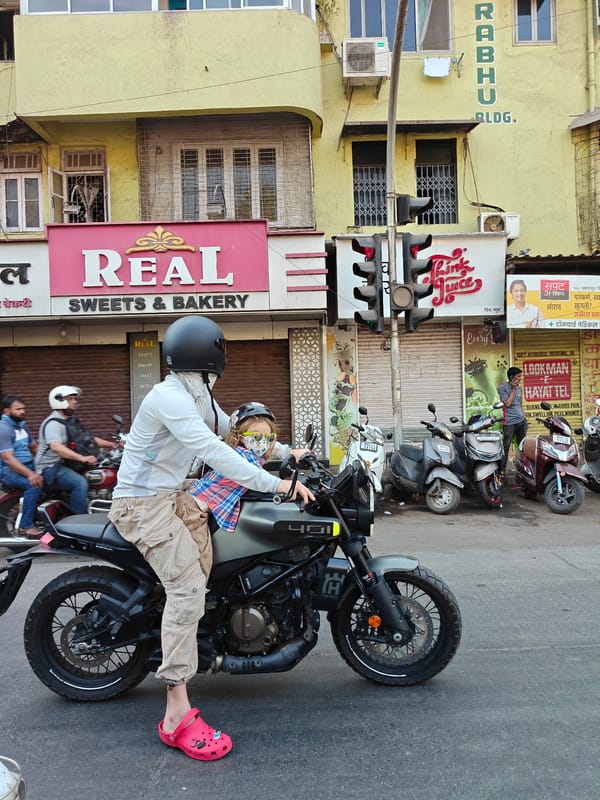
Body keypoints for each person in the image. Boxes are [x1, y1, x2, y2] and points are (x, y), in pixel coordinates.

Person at [107, 315, 314, 763]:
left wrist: (287, 453)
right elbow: (214, 451)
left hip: (172, 496)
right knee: (186, 589)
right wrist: (278, 485)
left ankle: (207, 633)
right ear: (209, 359)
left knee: (212, 570)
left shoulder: (196, 394)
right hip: (143, 505)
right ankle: (175, 715)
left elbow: (236, 436)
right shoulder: (169, 398)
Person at [188, 401, 280, 532]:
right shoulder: (242, 455)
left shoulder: (246, 454)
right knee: (199, 551)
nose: (263, 441)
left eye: (269, 437)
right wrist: (284, 486)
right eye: (257, 436)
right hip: (195, 510)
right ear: (241, 437)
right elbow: (259, 479)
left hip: (200, 505)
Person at [35, 385, 116, 514]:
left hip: (64, 465)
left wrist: (113, 445)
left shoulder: (68, 421)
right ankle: (80, 521)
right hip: (49, 468)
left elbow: (87, 439)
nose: (74, 402)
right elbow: (56, 447)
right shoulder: (53, 423)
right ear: (59, 400)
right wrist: (82, 458)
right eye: (70, 399)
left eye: (74, 399)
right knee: (80, 483)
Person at [0, 394, 44, 538]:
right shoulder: (4, 428)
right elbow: (8, 459)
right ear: (7, 411)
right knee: (34, 484)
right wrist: (30, 474)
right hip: (9, 471)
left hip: (27, 465)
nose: (22, 411)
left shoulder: (22, 425)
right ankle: (26, 526)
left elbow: (34, 447)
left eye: (23, 409)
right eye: (18, 409)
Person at [498, 367, 528, 472]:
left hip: (521, 422)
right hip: (509, 423)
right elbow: (507, 403)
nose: (520, 378)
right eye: (518, 376)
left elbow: (520, 404)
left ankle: (522, 468)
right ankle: (502, 470)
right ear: (512, 377)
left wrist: (524, 418)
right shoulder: (503, 388)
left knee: (522, 446)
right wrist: (513, 390)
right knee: (506, 446)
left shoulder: (520, 388)